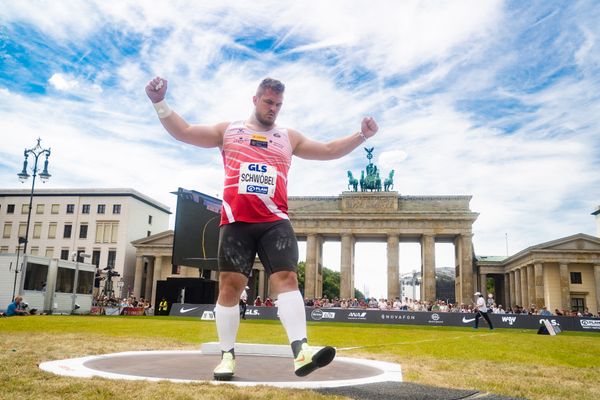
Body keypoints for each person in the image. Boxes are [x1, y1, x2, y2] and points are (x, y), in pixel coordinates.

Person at [146, 76, 378, 381]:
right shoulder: (228, 131)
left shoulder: (288, 137)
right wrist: (159, 102)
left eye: (279, 104)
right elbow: (185, 132)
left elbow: (329, 149)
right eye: (269, 102)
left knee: (287, 278)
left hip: (275, 222)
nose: (273, 109)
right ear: (255, 99)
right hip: (237, 222)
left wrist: (361, 135)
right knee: (230, 287)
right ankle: (227, 356)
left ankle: (301, 350)